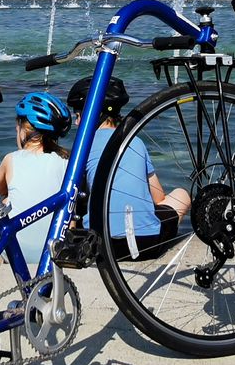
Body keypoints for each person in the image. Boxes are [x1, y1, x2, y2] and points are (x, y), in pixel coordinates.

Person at [64, 76, 191, 262]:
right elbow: (158, 198)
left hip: (99, 246)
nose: (76, 123)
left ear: (95, 114)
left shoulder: (83, 147)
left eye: (78, 116)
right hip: (146, 245)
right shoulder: (136, 141)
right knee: (182, 194)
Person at [0, 91, 71, 268]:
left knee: (3, 202)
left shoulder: (11, 159)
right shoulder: (67, 160)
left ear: (23, 130)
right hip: (57, 249)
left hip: (15, 252)